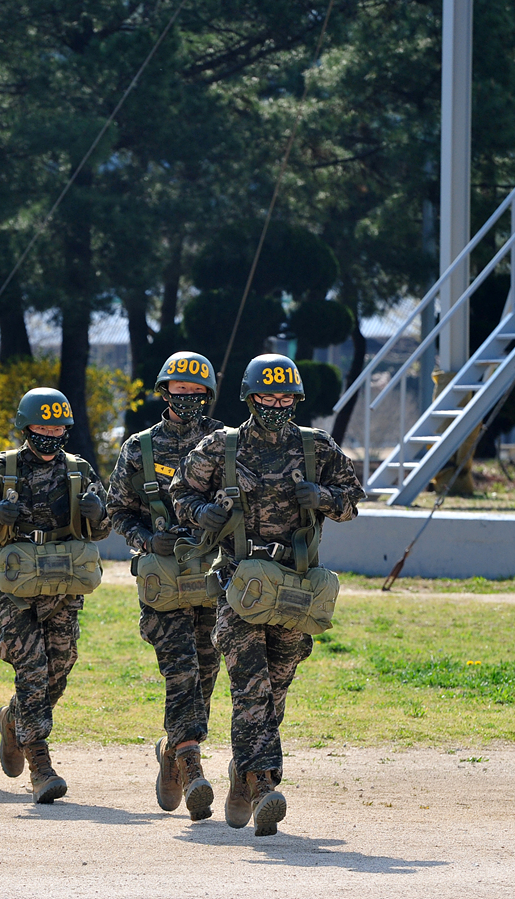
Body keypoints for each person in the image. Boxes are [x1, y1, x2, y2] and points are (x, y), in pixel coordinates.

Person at [170, 354, 364, 836]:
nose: (276, 406)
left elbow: (352, 500)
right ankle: (264, 785)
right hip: (240, 585)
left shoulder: (316, 447)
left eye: (285, 398)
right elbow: (181, 493)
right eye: (267, 397)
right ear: (249, 398)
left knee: (274, 692)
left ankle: (242, 772)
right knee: (250, 686)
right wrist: (203, 514)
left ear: (295, 400)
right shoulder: (221, 447)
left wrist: (323, 498)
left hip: (295, 586)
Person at [0, 387, 109, 804]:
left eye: (58, 426)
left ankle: (13, 721)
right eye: (43, 426)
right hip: (15, 586)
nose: (51, 433)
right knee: (31, 666)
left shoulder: (79, 470)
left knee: (59, 666)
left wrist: (100, 516)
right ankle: (40, 766)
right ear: (26, 427)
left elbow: (102, 528)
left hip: (63, 583)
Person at [107, 351, 226, 821]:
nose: (189, 398)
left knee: (207, 674)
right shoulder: (140, 447)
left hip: (212, 578)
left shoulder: (227, 445)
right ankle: (193, 768)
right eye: (181, 390)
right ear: (165, 392)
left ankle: (172, 752)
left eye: (198, 392)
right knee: (180, 674)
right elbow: (118, 509)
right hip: (161, 581)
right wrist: (144, 537)